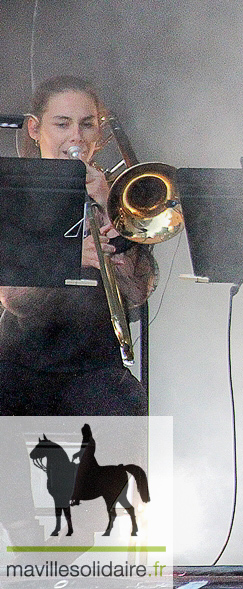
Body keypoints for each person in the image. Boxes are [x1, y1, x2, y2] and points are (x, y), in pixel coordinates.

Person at [0, 75, 153, 416]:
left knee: (124, 403)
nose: (76, 137)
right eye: (62, 124)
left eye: (87, 125)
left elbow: (137, 291)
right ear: (35, 129)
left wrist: (108, 203)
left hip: (96, 366)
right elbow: (13, 297)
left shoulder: (117, 194)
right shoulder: (13, 191)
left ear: (100, 133)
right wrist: (70, 258)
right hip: (21, 361)